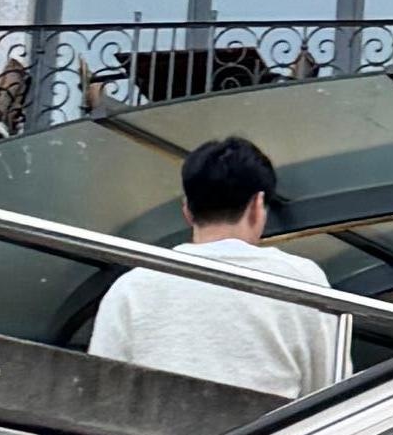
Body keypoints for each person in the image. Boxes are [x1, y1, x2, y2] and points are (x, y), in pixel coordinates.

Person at [87, 130, 351, 404]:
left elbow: (100, 392)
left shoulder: (132, 286)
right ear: (258, 206)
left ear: (187, 210)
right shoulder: (301, 280)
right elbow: (328, 391)